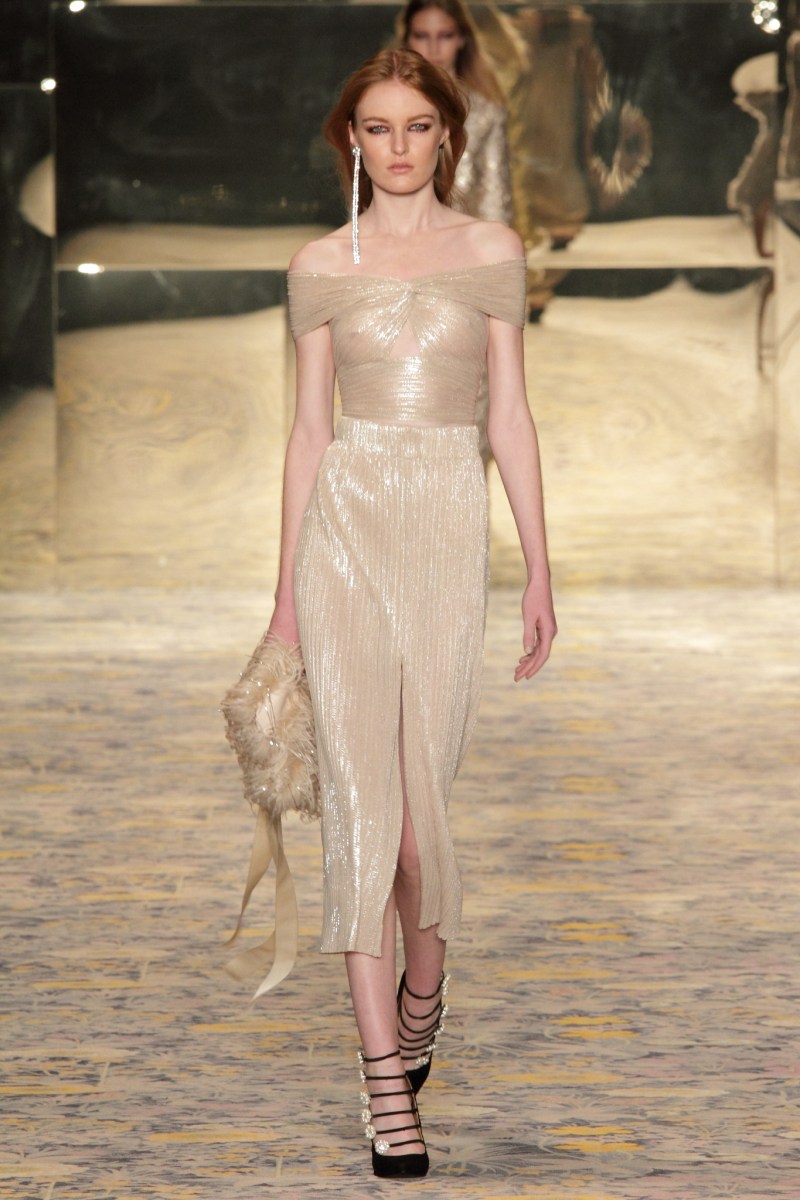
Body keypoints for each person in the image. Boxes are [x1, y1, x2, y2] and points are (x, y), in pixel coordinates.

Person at [268, 48, 556, 1179]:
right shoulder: (316, 265)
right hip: (343, 532)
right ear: (352, 139)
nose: (397, 146)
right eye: (376, 127)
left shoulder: (490, 252)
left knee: (418, 820)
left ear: (448, 135)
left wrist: (538, 572)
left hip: (443, 527)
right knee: (360, 811)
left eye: (416, 126)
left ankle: (423, 988)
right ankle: (385, 1082)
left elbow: (510, 418)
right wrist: (283, 602)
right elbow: (307, 433)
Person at [398, 0, 513, 226]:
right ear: (407, 39)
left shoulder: (486, 110)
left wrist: (496, 244)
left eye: (445, 36)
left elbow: (496, 196)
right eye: (422, 36)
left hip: (465, 239)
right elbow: (366, 185)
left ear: (462, 38)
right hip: (395, 237)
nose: (433, 48)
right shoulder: (385, 104)